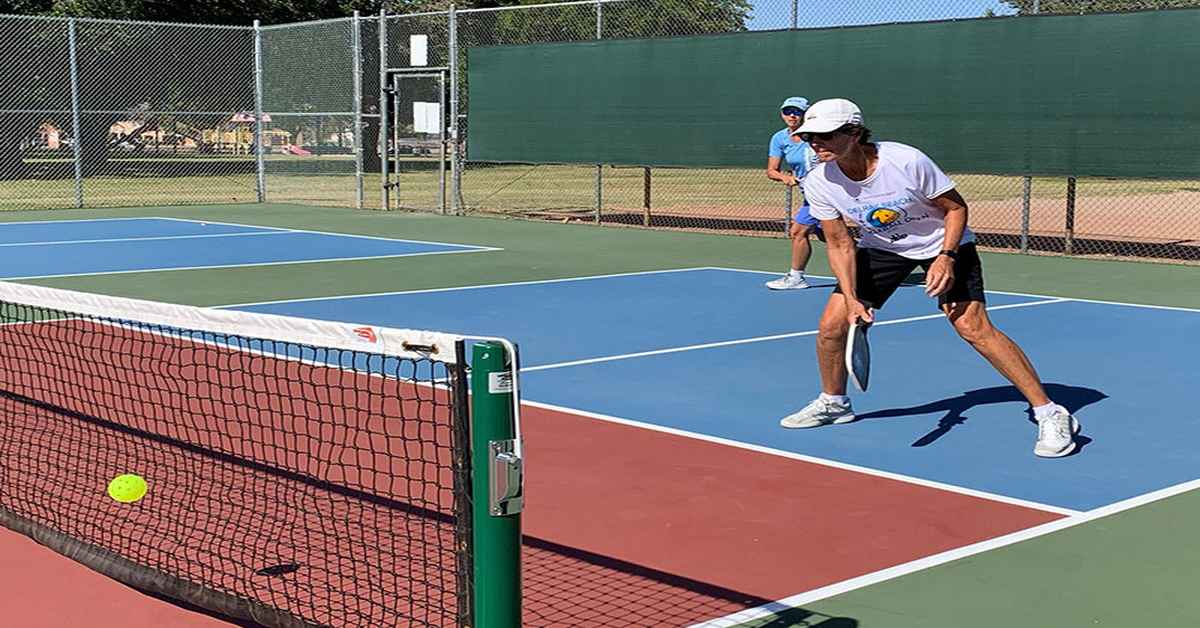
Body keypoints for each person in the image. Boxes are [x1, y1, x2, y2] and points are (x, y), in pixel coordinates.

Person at [778, 98, 1082, 458]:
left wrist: (946, 256)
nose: (816, 143)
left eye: (826, 136)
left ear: (855, 133)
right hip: (883, 248)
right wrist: (853, 298)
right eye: (811, 137)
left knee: (971, 327)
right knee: (832, 325)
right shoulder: (819, 181)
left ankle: (1050, 411)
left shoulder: (905, 160)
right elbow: (840, 243)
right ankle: (834, 402)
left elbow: (956, 208)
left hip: (944, 242)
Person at [764, 97, 824, 290]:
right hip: (809, 194)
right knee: (831, 236)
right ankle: (870, 266)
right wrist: (785, 178)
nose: (792, 115)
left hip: (827, 194)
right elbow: (771, 170)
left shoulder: (819, 134)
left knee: (798, 231)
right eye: (788, 111)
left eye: (797, 112)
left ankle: (796, 277)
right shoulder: (779, 138)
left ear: (805, 115)